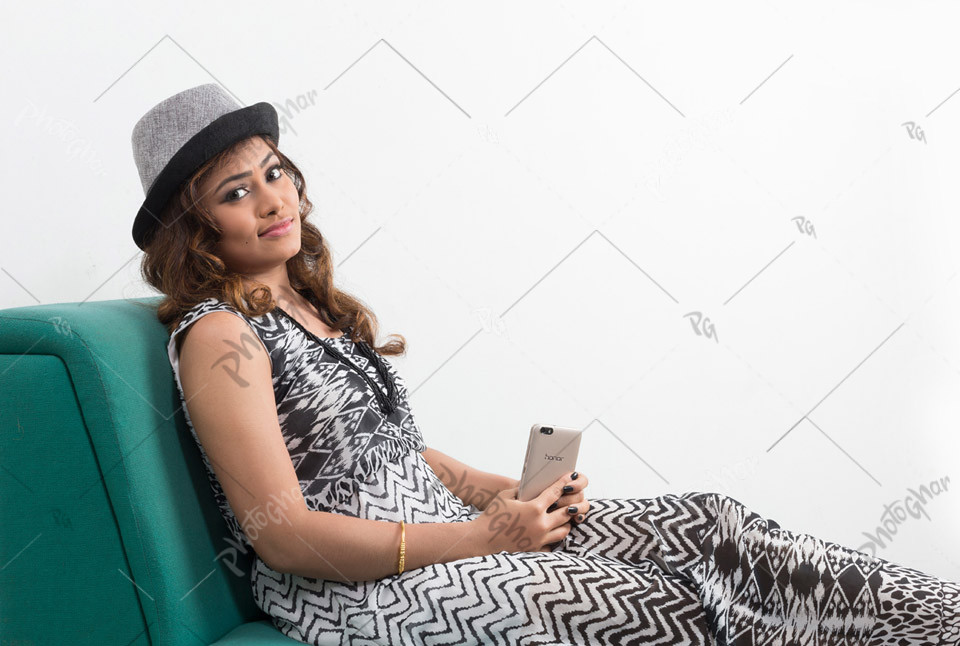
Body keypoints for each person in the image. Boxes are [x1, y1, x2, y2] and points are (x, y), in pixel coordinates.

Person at [133, 83, 960, 646]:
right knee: (661, 607)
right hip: (358, 591)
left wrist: (508, 494)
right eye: (236, 191)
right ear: (193, 226)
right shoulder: (220, 337)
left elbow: (401, 459)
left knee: (715, 527)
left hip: (449, 534)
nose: (274, 199)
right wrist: (478, 540)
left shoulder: (311, 306)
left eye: (273, 171)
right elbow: (285, 537)